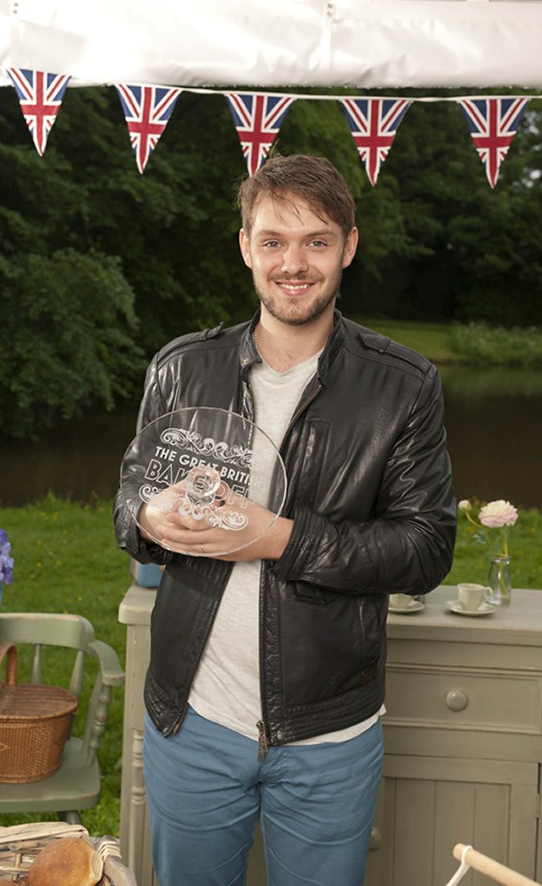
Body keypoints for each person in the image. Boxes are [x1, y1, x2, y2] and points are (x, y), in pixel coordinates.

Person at [114, 153, 457, 886]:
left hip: (329, 734)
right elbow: (128, 503)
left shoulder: (402, 385)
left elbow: (425, 546)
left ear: (348, 247)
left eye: (316, 241)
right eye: (273, 240)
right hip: (193, 721)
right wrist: (148, 513)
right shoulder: (179, 368)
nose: (292, 263)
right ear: (245, 246)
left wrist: (276, 537)